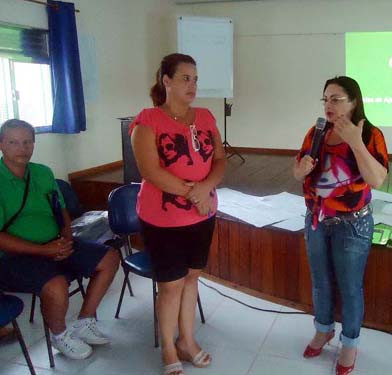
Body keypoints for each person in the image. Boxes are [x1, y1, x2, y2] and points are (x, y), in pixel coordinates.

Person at [130, 53, 226, 375]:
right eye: (185, 77)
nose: (193, 84)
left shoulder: (207, 117)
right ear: (166, 81)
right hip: (163, 218)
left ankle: (187, 340)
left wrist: (205, 190)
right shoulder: (147, 120)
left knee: (192, 277)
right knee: (171, 284)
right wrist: (194, 194)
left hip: (202, 215)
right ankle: (169, 348)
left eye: (196, 78)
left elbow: (220, 161)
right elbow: (150, 170)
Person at [0, 119, 120, 360]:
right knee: (56, 286)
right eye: (13, 142)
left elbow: (60, 210)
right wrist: (44, 251)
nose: (22, 148)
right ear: (1, 144)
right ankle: (59, 334)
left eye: (27, 142)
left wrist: (65, 239)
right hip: (13, 257)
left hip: (56, 243)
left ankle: (84, 321)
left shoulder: (43, 172)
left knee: (110, 258)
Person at [293, 76, 388, 375]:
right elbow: (297, 172)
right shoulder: (317, 131)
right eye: (325, 99)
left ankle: (350, 343)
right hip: (317, 219)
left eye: (336, 99)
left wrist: (356, 144)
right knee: (320, 281)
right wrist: (301, 168)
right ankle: (323, 330)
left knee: (349, 287)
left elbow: (376, 179)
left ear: (354, 102)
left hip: (352, 225)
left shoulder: (370, 134)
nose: (328, 105)